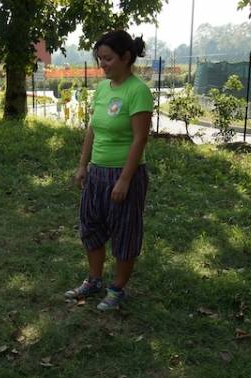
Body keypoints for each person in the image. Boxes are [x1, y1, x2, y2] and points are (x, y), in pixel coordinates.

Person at [64, 30, 153, 311]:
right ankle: (94, 280)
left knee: (124, 232)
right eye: (100, 58)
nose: (103, 64)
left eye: (108, 58)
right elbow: (92, 129)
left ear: (126, 57)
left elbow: (140, 139)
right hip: (97, 173)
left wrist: (125, 180)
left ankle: (117, 289)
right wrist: (82, 165)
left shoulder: (138, 91)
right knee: (91, 226)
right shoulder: (103, 89)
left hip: (125, 174)